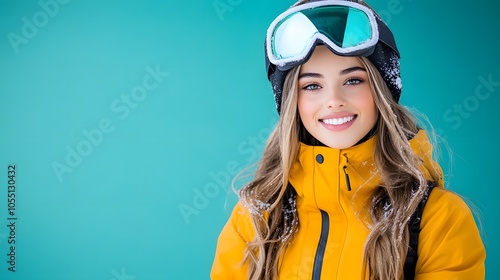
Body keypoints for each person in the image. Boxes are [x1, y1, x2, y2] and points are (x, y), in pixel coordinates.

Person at [211, 0, 486, 279]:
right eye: (312, 86)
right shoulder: (256, 219)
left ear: (381, 91)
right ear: (294, 102)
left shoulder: (439, 219)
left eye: (353, 80)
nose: (334, 101)